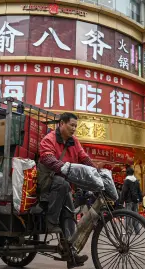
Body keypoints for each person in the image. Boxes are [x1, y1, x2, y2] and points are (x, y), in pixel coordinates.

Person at [38, 112, 94, 266]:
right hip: (47, 183)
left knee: (69, 214)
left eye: (76, 126)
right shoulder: (48, 139)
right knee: (63, 184)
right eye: (72, 125)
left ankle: (72, 255)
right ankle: (51, 221)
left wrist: (96, 172)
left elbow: (84, 158)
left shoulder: (74, 141)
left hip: (63, 185)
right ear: (61, 123)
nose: (74, 128)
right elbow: (47, 158)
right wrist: (65, 168)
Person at [119, 166, 142, 234]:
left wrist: (121, 201)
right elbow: (139, 191)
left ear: (127, 173)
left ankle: (129, 231)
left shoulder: (127, 181)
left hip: (128, 201)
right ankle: (137, 231)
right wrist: (140, 199)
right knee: (136, 216)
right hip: (135, 201)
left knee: (128, 216)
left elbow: (124, 191)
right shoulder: (136, 181)